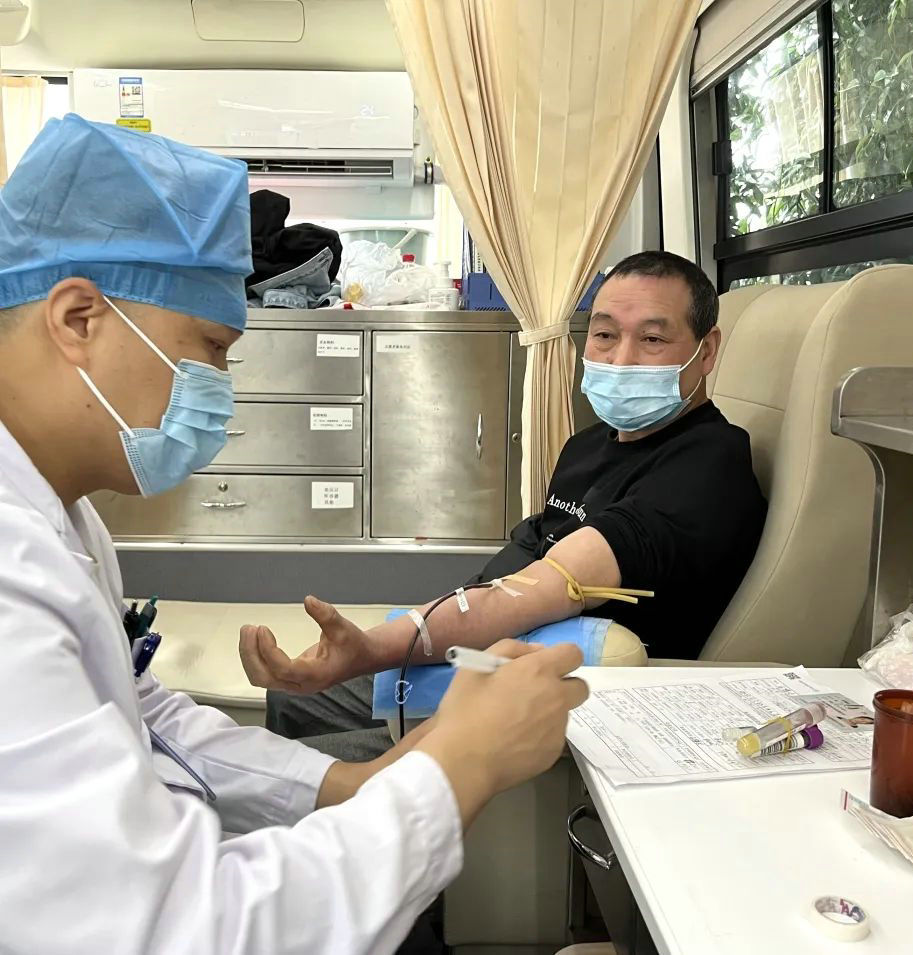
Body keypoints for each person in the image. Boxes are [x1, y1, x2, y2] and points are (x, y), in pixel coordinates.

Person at [0, 113, 588, 955]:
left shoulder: (62, 514)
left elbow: (140, 715)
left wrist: (354, 782)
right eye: (210, 347)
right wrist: (464, 761)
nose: (220, 387)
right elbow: (174, 931)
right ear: (78, 319)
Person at [248, 251, 768, 759]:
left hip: (575, 700)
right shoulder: (589, 446)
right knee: (293, 699)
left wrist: (374, 649)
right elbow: (521, 558)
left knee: (301, 767)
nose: (621, 359)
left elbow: (549, 585)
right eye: (606, 335)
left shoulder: (708, 466)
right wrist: (432, 632)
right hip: (495, 658)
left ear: (706, 351)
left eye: (652, 339)